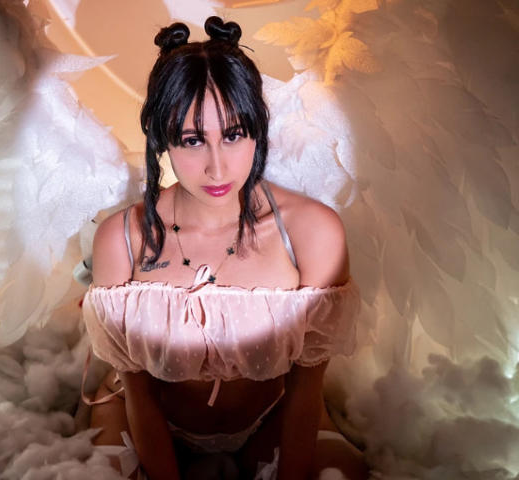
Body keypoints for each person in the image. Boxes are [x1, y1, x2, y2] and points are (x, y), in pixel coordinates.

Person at [81, 16, 368, 480]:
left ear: (258, 128)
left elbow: (304, 390)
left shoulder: (313, 234)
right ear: (163, 139)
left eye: (233, 135)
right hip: (143, 418)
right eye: (193, 141)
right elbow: (139, 395)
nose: (217, 168)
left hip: (271, 418)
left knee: (341, 475)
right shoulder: (122, 240)